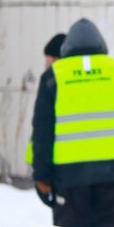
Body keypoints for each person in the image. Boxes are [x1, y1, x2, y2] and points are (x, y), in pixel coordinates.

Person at [31, 19, 114, 227]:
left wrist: (41, 174)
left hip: (68, 173)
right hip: (111, 170)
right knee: (109, 222)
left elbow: (43, 129)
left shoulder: (53, 77)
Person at [26, 33, 67, 171]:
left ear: (57, 59)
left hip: (54, 162)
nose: (45, 65)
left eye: (48, 59)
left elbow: (43, 125)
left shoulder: (54, 83)